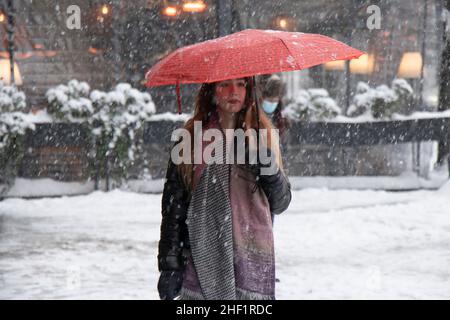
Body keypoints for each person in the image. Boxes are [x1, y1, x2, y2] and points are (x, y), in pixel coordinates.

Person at [157, 77, 292, 300]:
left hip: (251, 265)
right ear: (211, 91)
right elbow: (174, 211)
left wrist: (268, 169)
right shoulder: (190, 140)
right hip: (200, 262)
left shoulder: (263, 136)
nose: (233, 91)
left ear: (249, 92)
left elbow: (281, 202)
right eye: (224, 85)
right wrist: (170, 266)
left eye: (241, 85)